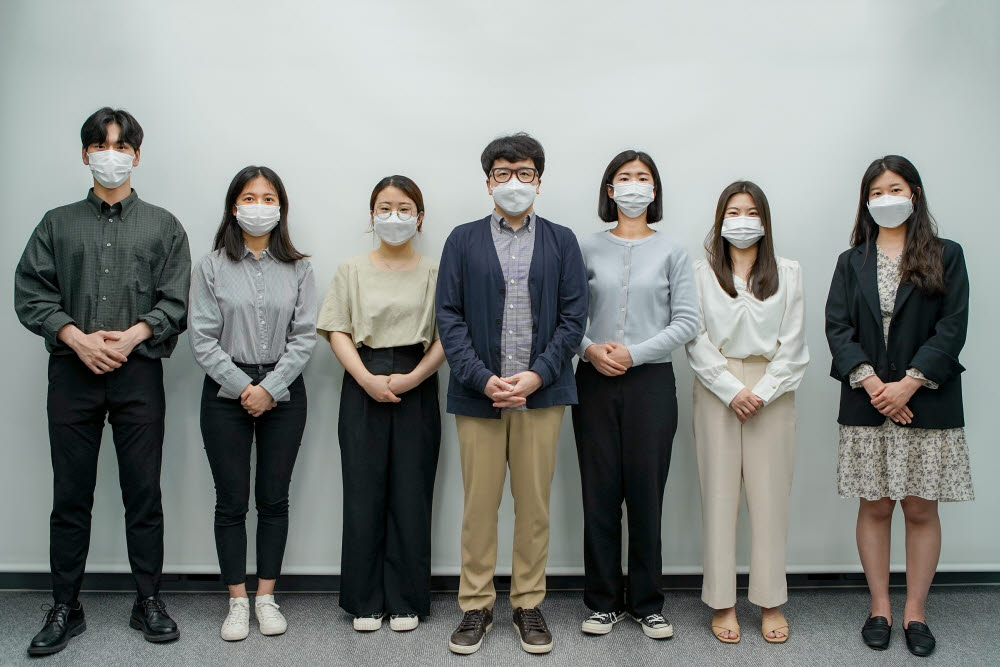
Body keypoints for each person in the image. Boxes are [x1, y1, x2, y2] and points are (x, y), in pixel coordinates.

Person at [14, 107, 190, 656]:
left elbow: (176, 301)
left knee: (144, 492)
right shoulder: (55, 223)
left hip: (138, 372)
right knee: (70, 495)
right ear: (85, 153)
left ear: (137, 154)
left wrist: (136, 334)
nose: (111, 155)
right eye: (100, 145)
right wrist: (75, 337)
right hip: (73, 370)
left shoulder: (163, 225)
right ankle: (66, 605)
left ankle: (149, 601)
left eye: (120, 146)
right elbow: (31, 293)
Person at [436, 133, 588, 655]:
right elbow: (448, 317)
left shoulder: (562, 241)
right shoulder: (462, 239)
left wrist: (537, 376)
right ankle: (475, 606)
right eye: (503, 173)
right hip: (478, 395)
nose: (514, 182)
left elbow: (573, 319)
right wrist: (482, 378)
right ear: (488, 183)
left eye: (524, 174)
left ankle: (527, 602)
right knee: (479, 505)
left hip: (540, 396)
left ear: (539, 182)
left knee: (534, 505)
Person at [825, 155, 972, 658]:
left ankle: (915, 612)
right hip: (867, 400)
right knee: (875, 505)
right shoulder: (852, 261)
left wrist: (908, 385)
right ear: (866, 201)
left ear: (914, 193)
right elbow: (837, 329)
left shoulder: (945, 254)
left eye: (896, 188)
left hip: (926, 399)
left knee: (920, 507)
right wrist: (873, 385)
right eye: (877, 191)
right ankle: (881, 607)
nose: (887, 198)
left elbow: (952, 329)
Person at [573, 150, 699, 640]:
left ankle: (647, 602)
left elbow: (687, 321)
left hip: (650, 383)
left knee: (646, 493)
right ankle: (602, 601)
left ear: (654, 189)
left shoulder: (673, 251)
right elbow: (571, 317)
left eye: (642, 178)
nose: (633, 185)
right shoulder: (585, 248)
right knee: (599, 493)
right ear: (609, 190)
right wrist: (588, 350)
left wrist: (634, 353)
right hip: (594, 381)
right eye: (624, 178)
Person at [189, 166, 316, 641]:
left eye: (267, 198)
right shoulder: (211, 265)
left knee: (274, 499)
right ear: (233, 206)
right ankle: (237, 600)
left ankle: (266, 596)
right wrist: (245, 386)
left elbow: (304, 339)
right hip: (225, 393)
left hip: (284, 391)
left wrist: (271, 387)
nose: (258, 206)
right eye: (249, 196)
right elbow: (201, 338)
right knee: (230, 502)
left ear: (280, 207)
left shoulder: (300, 268)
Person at [318, 175, 444, 634]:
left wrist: (412, 377)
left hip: (419, 375)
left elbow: (448, 334)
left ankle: (407, 598)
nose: (395, 216)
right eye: (385, 208)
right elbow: (336, 329)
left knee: (412, 493)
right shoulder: (351, 269)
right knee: (364, 491)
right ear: (372, 216)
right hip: (362, 378)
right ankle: (365, 600)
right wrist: (366, 379)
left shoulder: (436, 271)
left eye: (404, 208)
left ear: (420, 217)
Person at [685, 181, 809, 645]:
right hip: (717, 387)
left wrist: (763, 391)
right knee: (719, 497)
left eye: (751, 211)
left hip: (772, 390)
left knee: (770, 498)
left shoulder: (790, 273)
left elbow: (794, 345)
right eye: (733, 211)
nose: (742, 220)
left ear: (765, 221)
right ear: (720, 220)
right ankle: (723, 602)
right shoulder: (699, 273)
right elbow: (694, 338)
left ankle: (771, 600)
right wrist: (731, 389)